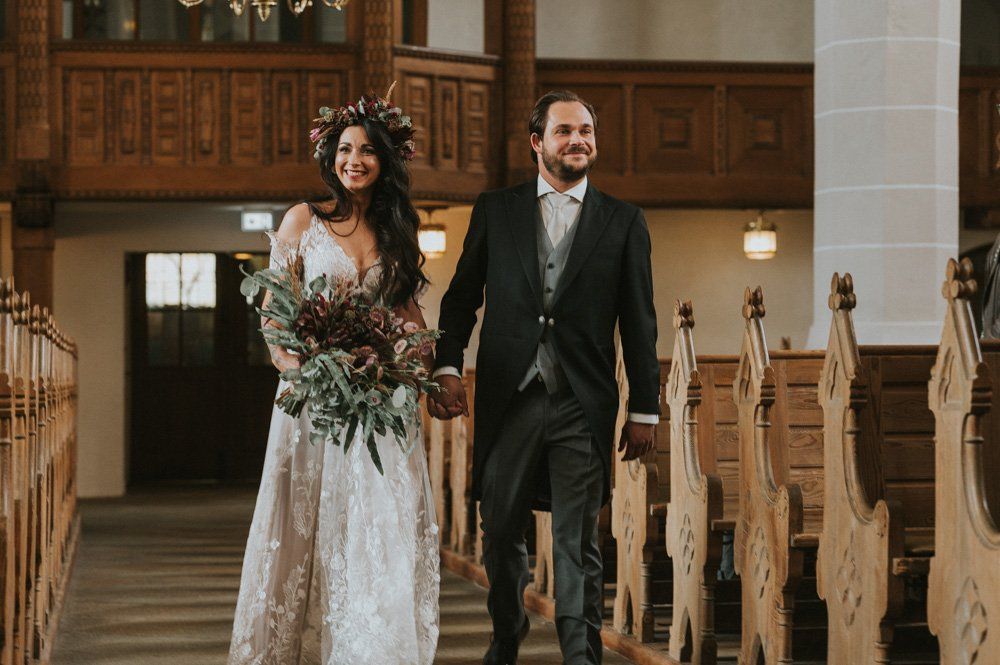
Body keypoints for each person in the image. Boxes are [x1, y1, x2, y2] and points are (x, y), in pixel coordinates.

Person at [427, 90, 660, 665]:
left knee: (578, 538)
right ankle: (506, 634)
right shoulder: (496, 210)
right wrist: (447, 365)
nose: (578, 140)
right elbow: (460, 301)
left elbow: (640, 320)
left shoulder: (624, 222)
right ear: (537, 142)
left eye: (586, 130)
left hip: (583, 401)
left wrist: (644, 410)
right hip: (511, 398)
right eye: (565, 131)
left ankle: (581, 655)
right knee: (501, 526)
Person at [228, 87, 440, 665]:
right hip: (314, 402)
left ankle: (370, 647)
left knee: (376, 523)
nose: (355, 160)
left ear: (387, 160)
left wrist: (427, 367)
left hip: (381, 401)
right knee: (303, 527)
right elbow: (276, 316)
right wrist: (307, 372)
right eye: (345, 148)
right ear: (330, 155)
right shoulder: (302, 220)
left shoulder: (398, 228)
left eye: (369, 150)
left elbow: (405, 313)